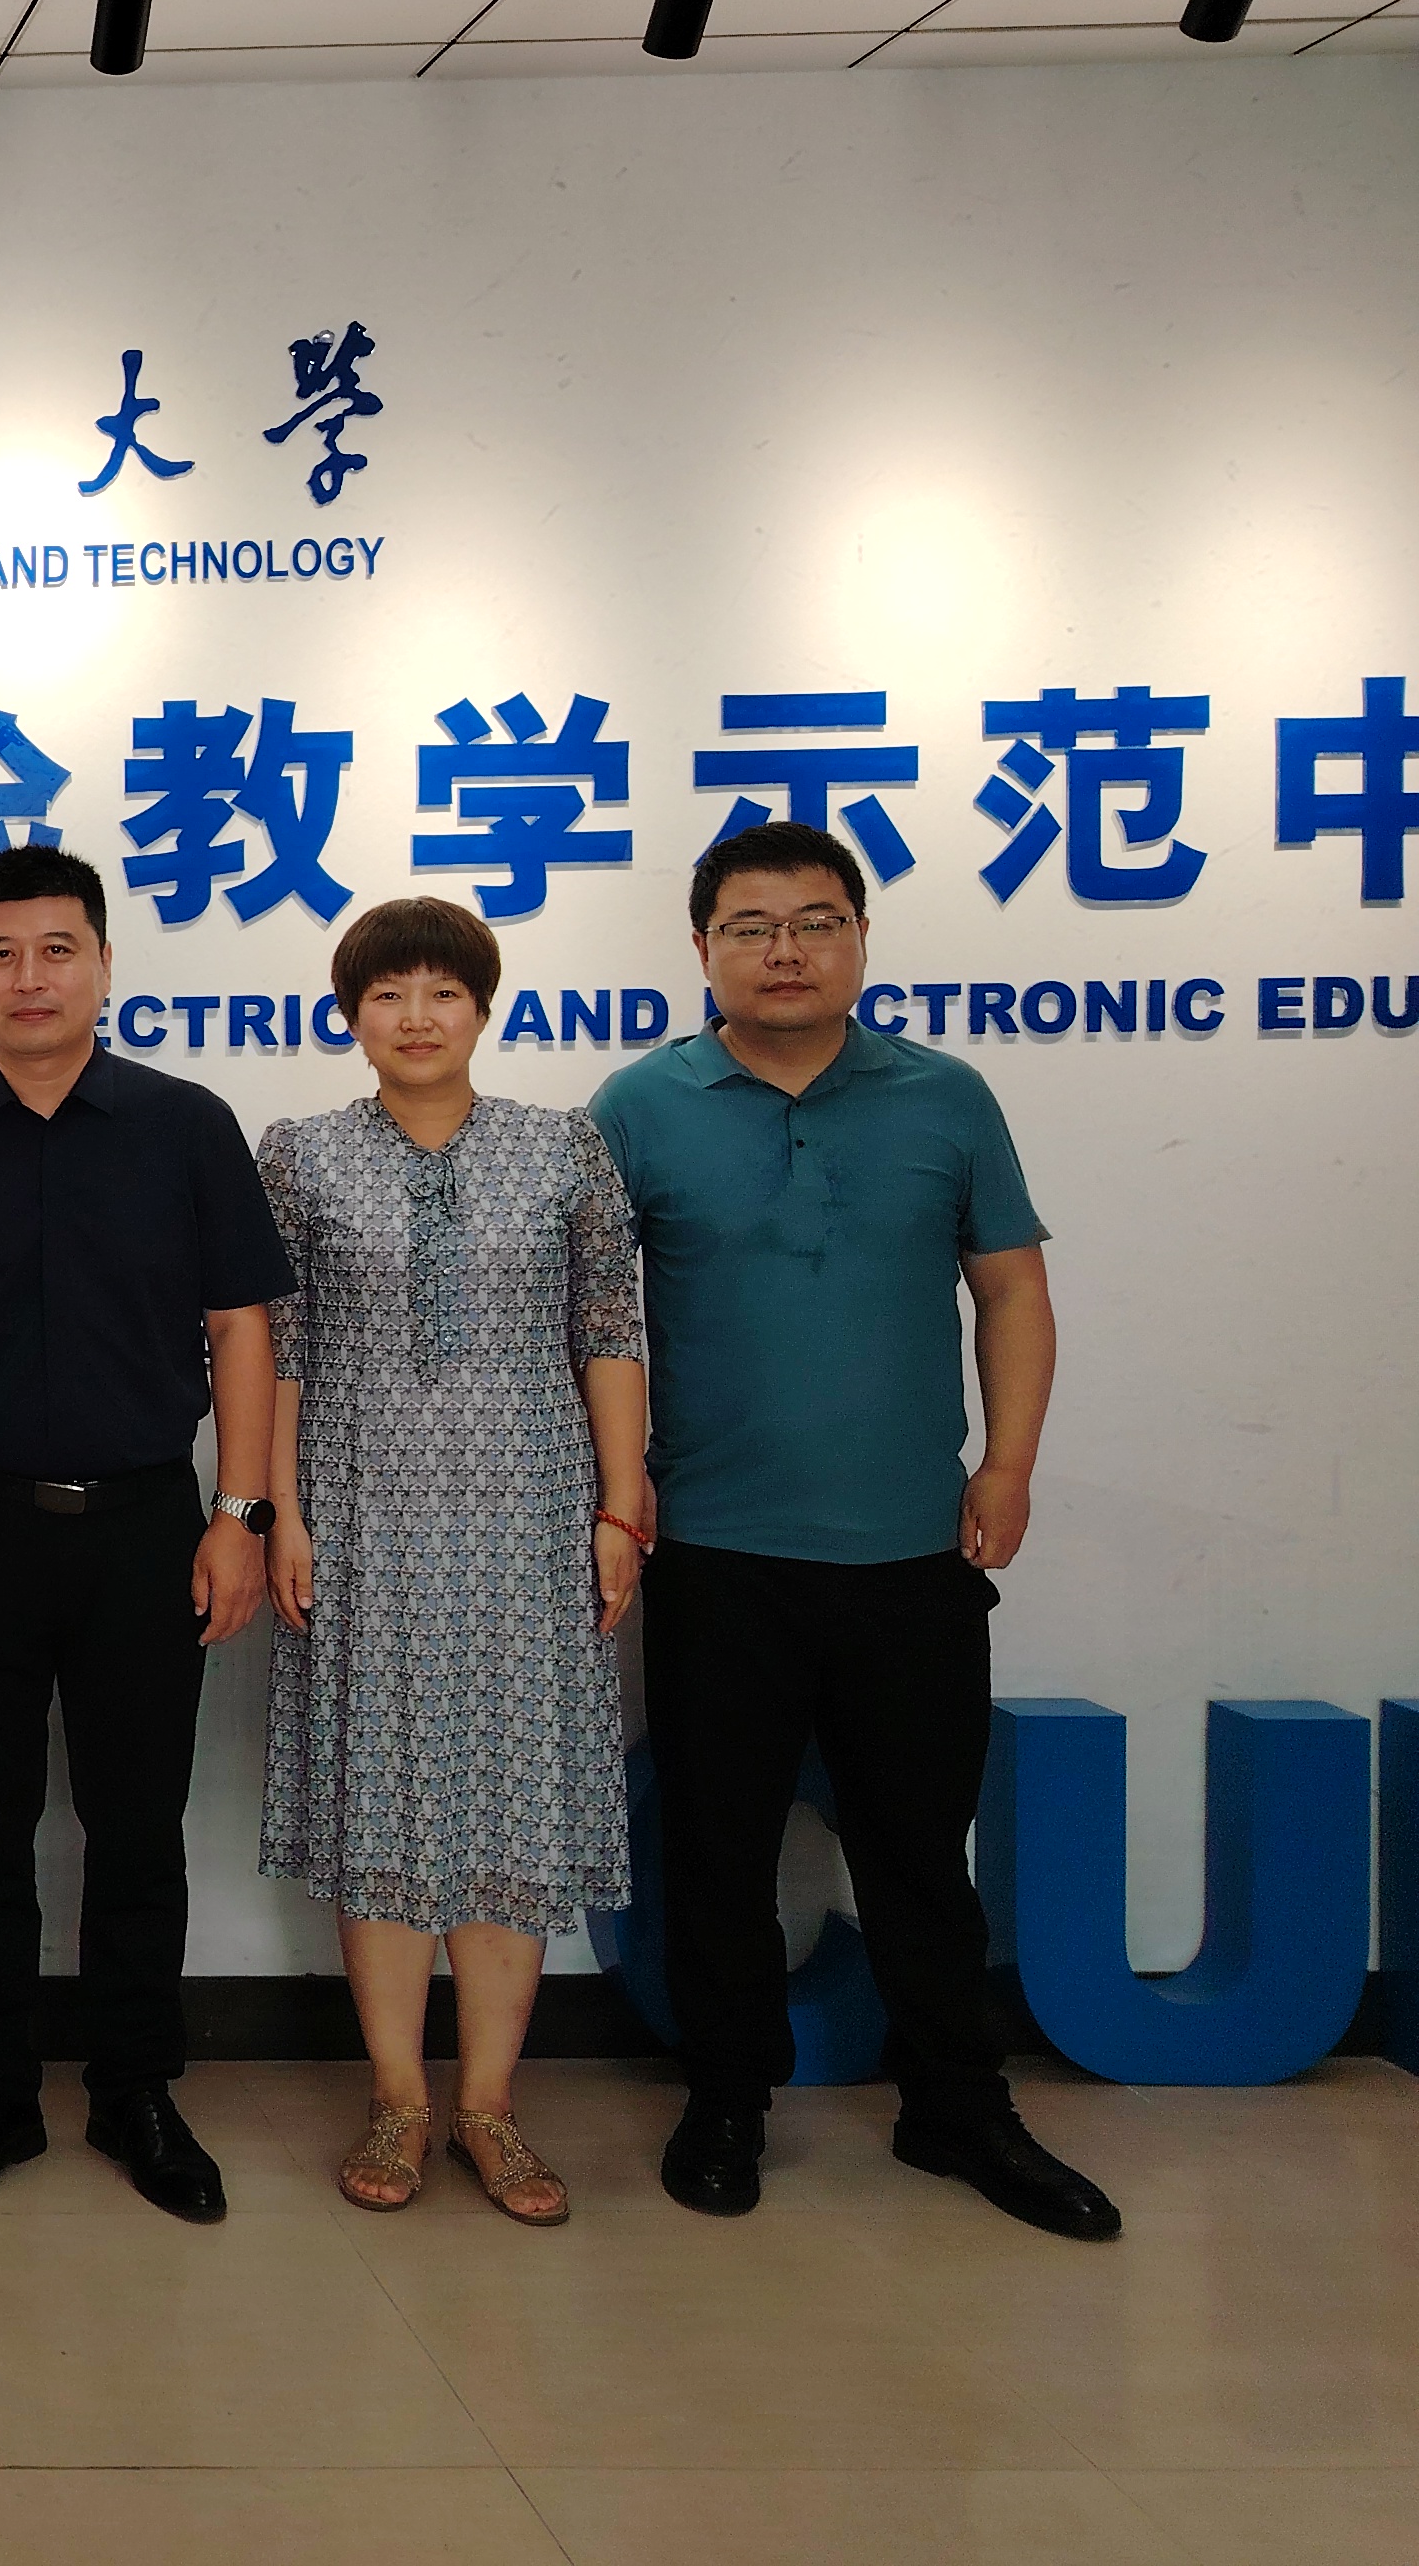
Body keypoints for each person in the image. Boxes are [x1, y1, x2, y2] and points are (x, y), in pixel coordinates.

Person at [593, 820, 1117, 2240]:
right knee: (717, 1851)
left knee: (918, 1854)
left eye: (816, 922)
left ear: (862, 939)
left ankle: (957, 2107)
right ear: (701, 949)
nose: (786, 950)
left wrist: (1009, 1464)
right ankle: (726, 2101)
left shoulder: (946, 1097)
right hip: (715, 1553)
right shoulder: (637, 1107)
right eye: (751, 926)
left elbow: (1011, 1289)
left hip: (911, 1554)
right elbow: (590, 1319)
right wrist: (617, 1489)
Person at [0, 844, 291, 2226]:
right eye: (0, 953)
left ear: (105, 964)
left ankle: (134, 2089)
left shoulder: (186, 1127)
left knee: (137, 1826)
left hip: (146, 1526)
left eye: (57, 950)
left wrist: (239, 1514)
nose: (29, 978)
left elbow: (242, 1329)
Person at [254, 898, 647, 2226]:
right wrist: (280, 1514)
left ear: (485, 1008)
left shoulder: (563, 1147)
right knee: (383, 1797)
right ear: (349, 1015)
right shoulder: (301, 1156)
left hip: (532, 1512)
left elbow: (609, 1327)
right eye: (386, 995)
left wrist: (620, 1505)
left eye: (442, 992)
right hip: (360, 1512)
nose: (415, 1017)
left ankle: (489, 2105)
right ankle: (396, 2099)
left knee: (513, 1798)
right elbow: (277, 1348)